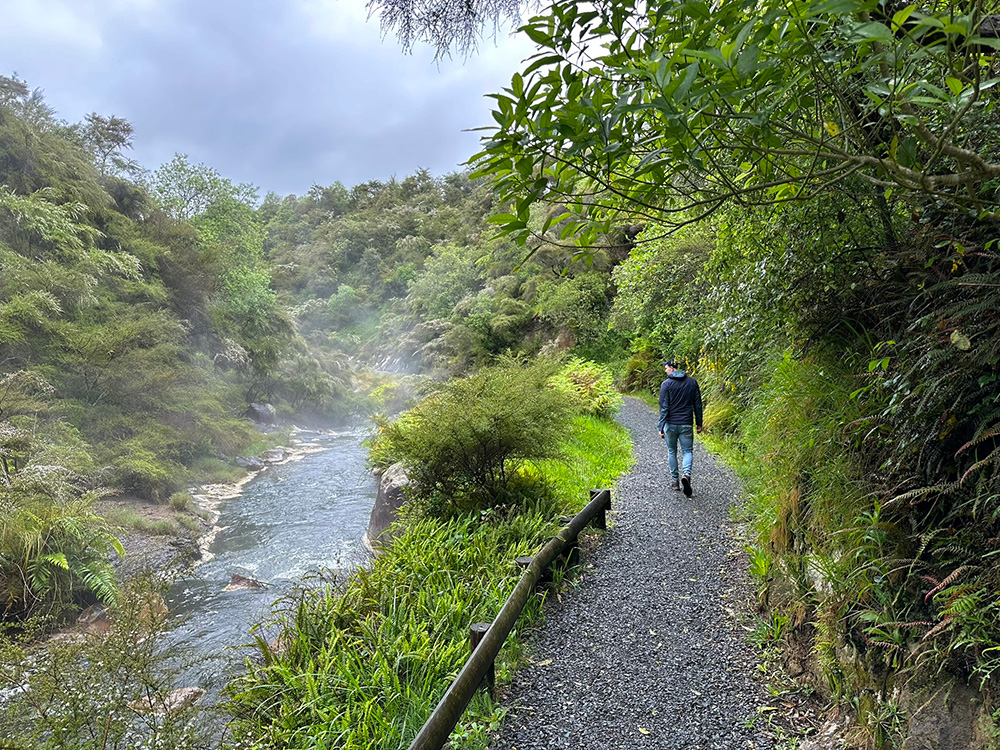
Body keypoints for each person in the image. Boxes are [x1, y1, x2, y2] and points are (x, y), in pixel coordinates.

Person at [657, 359, 703, 497]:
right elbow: (698, 404)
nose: (665, 370)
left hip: (670, 424)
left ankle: (675, 482)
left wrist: (661, 426)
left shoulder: (666, 385)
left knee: (672, 451)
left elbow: (664, 407)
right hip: (686, 423)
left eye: (666, 367)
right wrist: (699, 423)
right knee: (687, 451)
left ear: (672, 368)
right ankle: (687, 475)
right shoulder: (692, 382)